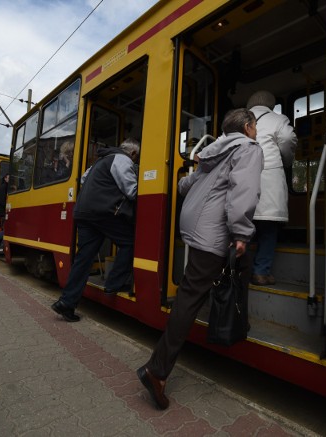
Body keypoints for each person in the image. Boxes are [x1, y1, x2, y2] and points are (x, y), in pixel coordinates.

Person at [137, 108, 263, 410]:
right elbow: (242, 192)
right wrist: (241, 234)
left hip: (194, 224)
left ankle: (233, 325)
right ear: (247, 127)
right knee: (191, 297)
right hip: (213, 230)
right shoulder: (248, 149)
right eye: (255, 127)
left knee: (196, 289)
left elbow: (184, 186)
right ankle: (157, 370)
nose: (257, 132)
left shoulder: (213, 152)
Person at [51, 138, 140, 322]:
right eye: (136, 157)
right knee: (130, 242)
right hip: (102, 212)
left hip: (84, 212)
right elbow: (131, 190)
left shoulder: (100, 161)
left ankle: (66, 303)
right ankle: (113, 284)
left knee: (83, 258)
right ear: (132, 153)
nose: (135, 161)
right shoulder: (123, 160)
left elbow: (84, 178)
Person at [246, 90, 297, 286]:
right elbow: (286, 139)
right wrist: (287, 161)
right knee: (268, 229)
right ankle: (260, 272)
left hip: (240, 181)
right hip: (269, 178)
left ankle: (237, 271)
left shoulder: (237, 120)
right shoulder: (278, 119)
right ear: (271, 105)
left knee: (242, 229)